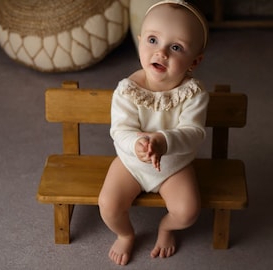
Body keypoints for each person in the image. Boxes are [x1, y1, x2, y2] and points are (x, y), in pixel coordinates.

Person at [98, 0, 209, 265]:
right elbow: (120, 130)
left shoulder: (194, 94)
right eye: (152, 40)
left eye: (175, 47)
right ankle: (125, 234)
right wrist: (138, 143)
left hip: (174, 164)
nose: (161, 53)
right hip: (132, 162)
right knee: (108, 205)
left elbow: (194, 132)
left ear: (194, 61)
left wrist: (163, 140)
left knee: (187, 211)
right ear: (139, 43)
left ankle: (166, 228)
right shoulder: (127, 90)